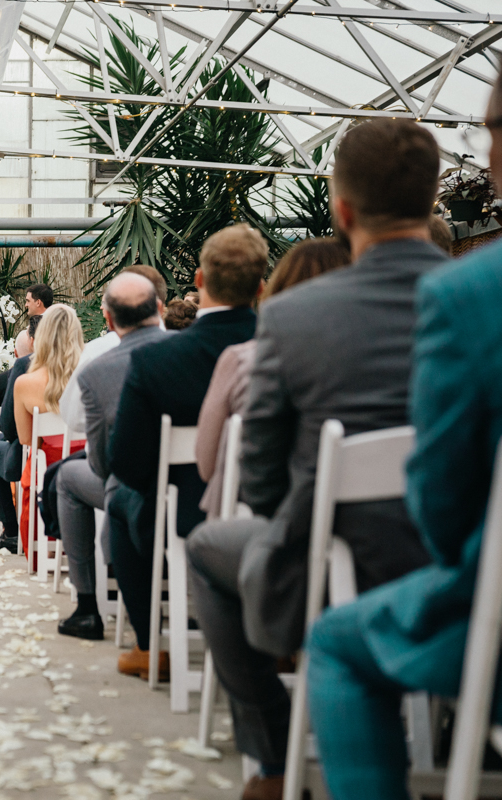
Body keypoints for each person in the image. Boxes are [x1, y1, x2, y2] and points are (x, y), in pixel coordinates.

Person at [186, 119, 444, 800]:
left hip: (334, 568)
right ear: (433, 196)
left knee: (207, 545)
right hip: (471, 563)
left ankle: (272, 758)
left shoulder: (296, 316)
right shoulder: (478, 295)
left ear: (343, 210)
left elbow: (263, 477)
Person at [305, 83, 502, 800]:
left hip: (489, 615)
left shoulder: (472, 296)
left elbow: (445, 506)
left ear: (343, 210)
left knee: (336, 643)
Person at [107, 224, 264, 681]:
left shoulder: (157, 361)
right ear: (259, 287)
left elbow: (127, 463)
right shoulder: (285, 347)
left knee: (121, 501)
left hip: (181, 520)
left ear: (198, 279)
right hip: (268, 514)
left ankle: (148, 644)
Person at [195, 238, 351, 520]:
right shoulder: (378, 359)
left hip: (281, 522)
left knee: (199, 548)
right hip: (376, 527)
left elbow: (207, 465)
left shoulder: (247, 359)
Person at [55, 273, 169, 640]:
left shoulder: (98, 365)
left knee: (67, 478)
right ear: (161, 308)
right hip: (195, 490)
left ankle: (88, 605)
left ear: (108, 319)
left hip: (130, 492)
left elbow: (83, 435)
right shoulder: (195, 349)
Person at [13, 305, 86, 564]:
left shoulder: (25, 383)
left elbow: (25, 439)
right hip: (88, 463)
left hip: (47, 470)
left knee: (33, 460)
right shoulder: (91, 374)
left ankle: (42, 547)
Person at [61, 265, 167, 435]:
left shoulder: (96, 354)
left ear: (109, 320)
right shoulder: (191, 351)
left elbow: (73, 418)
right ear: (160, 308)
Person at [0, 320, 38, 552]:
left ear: (33, 340)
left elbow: (9, 426)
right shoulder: (79, 363)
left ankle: (11, 531)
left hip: (29, 457)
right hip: (71, 453)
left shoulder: (24, 365)